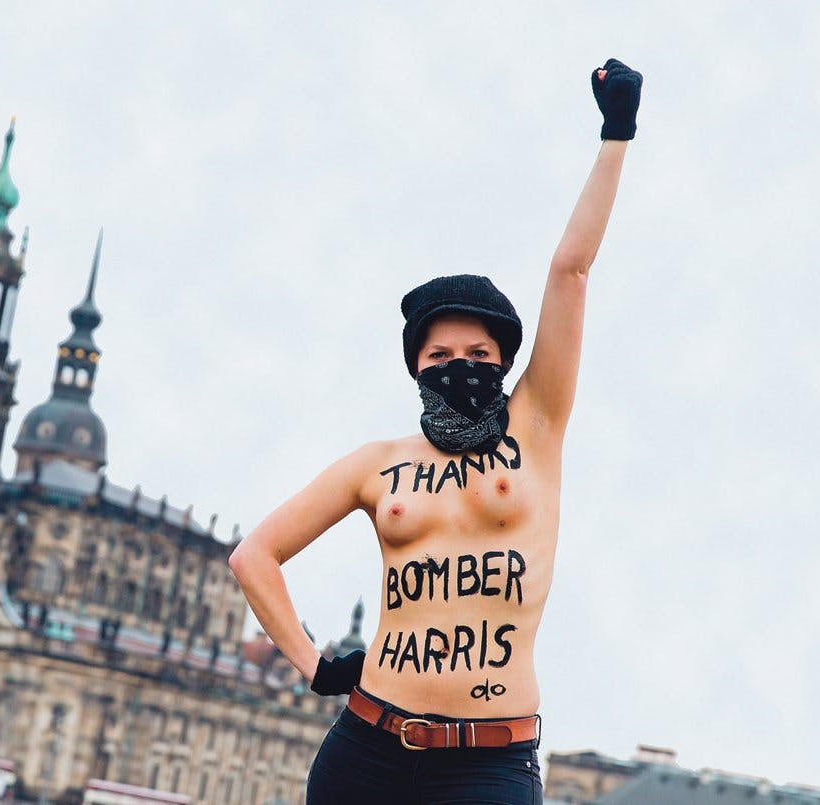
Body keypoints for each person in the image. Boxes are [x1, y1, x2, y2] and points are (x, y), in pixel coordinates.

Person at [228, 58, 643, 804]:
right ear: (416, 369)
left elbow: (569, 271)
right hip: (365, 746)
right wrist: (314, 664)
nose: (461, 368)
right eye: (441, 357)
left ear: (506, 362)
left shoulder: (536, 426)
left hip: (486, 760)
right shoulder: (376, 465)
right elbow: (254, 555)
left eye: (480, 356)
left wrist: (616, 132)